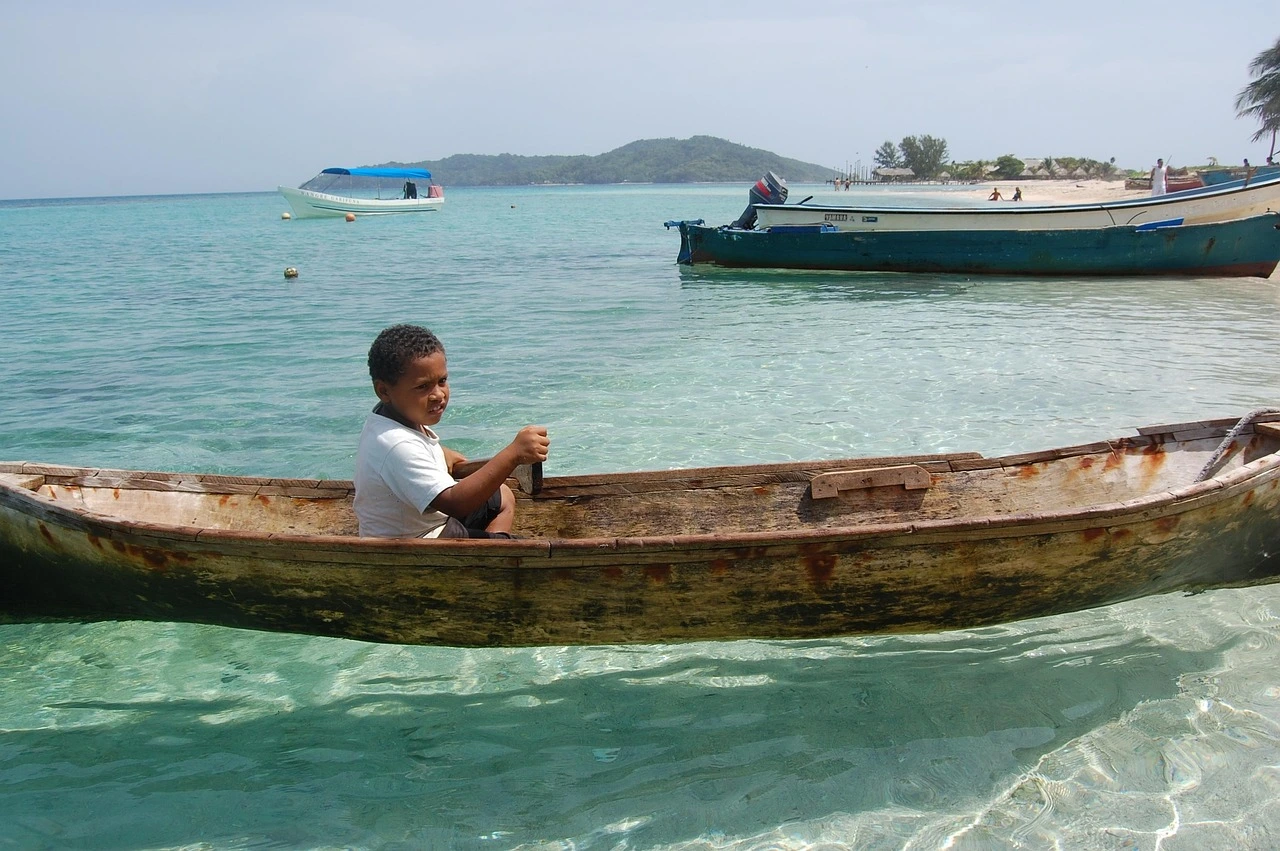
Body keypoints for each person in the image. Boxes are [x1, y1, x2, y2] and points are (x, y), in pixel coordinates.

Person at [354, 324, 549, 539]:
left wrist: (437, 452)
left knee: (503, 496)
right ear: (383, 390)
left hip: (419, 523)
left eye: (442, 381)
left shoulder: (391, 416)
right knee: (522, 550)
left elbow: (407, 448)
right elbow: (457, 504)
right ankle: (491, 560)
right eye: (422, 387)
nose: (438, 394)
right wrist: (512, 454)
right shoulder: (396, 445)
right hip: (416, 542)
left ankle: (487, 557)